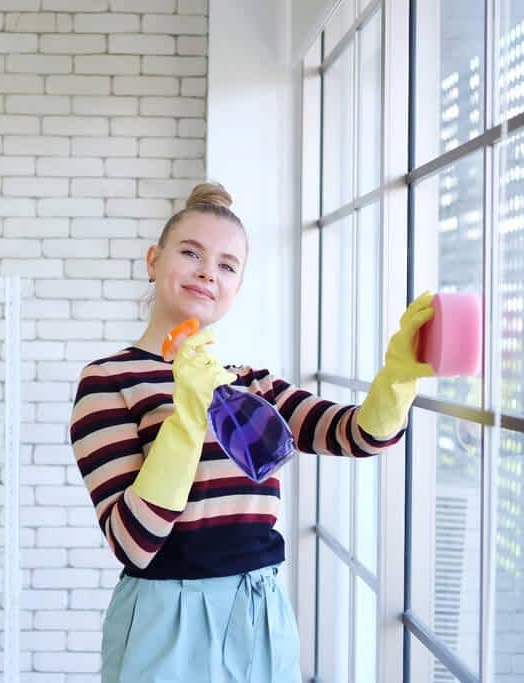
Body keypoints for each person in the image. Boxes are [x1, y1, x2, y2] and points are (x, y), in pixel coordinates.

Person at [69, 182, 434, 682]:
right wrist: (187, 416)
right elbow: (134, 542)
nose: (207, 272)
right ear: (153, 260)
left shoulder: (250, 385)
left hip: (259, 612)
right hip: (164, 618)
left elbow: (356, 435)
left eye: (227, 265)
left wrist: (399, 374)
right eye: (191, 253)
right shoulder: (108, 380)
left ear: (236, 287)